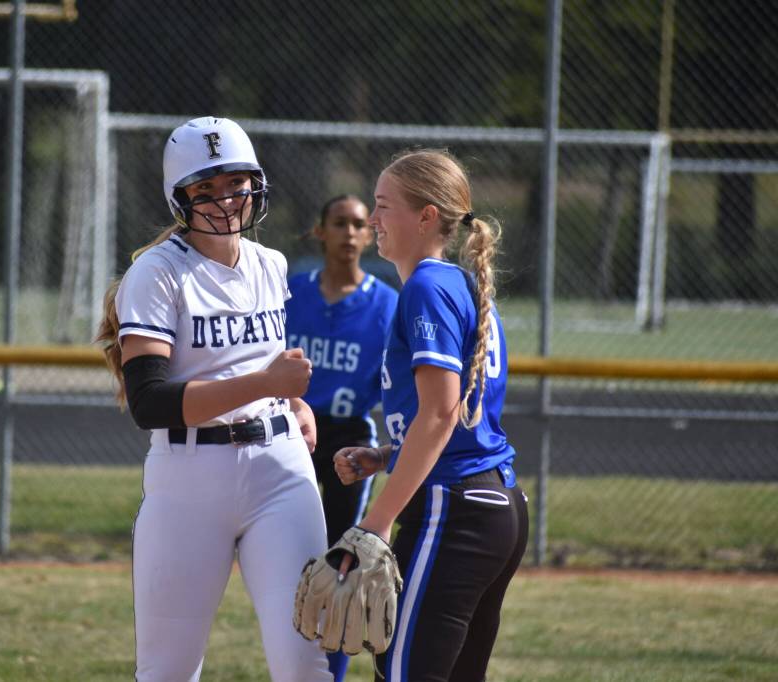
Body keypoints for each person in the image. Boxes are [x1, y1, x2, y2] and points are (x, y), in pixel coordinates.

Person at [95, 116, 332, 682]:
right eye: (205, 188)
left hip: (280, 470)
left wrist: (290, 404)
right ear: (179, 198)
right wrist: (265, 386)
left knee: (305, 664)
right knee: (168, 672)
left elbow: (258, 369)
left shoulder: (271, 264)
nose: (225, 199)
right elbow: (150, 402)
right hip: (190, 477)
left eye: (235, 182)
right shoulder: (158, 273)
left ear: (257, 184)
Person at [333, 149, 529, 682]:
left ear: (425, 216)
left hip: (454, 508)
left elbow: (441, 414)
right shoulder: (461, 284)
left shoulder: (427, 287)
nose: (373, 219)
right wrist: (386, 455)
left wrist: (375, 522)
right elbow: (460, 420)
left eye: (383, 206)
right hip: (494, 503)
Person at [284, 194, 398, 681]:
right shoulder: (293, 294)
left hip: (350, 435)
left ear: (369, 234)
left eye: (358, 224)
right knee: (289, 555)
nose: (349, 233)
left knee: (342, 558)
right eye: (339, 223)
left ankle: (331, 670)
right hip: (293, 430)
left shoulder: (386, 303)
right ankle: (293, 660)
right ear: (320, 232)